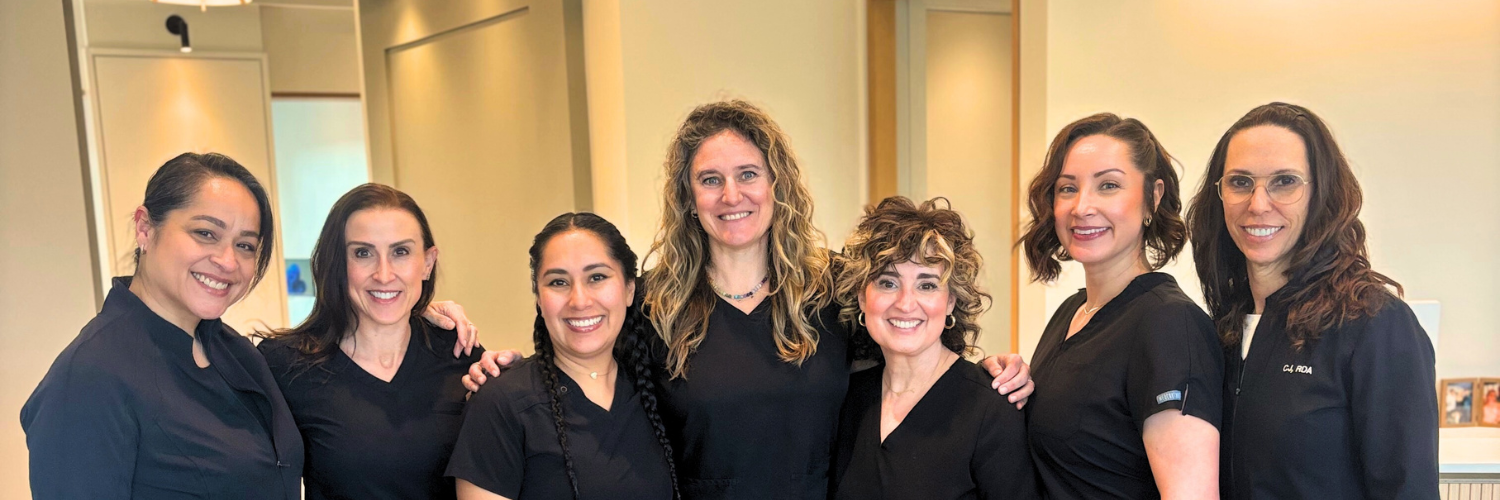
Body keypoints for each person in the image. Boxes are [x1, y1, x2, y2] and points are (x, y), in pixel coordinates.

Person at [464, 100, 1035, 499]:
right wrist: (503, 363)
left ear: (776, 185)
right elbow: (584, 352)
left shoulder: (829, 291)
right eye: (710, 180)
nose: (730, 195)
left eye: (748, 174)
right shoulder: (656, 308)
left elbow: (911, 341)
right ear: (688, 198)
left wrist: (994, 366)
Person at [1186, 102, 1438, 499]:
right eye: (1240, 182)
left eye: (1284, 181)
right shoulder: (1222, 330)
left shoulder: (1376, 325)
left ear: (1321, 192)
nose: (1257, 203)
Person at [22, 152, 304, 498]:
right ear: (144, 228)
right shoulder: (90, 377)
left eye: (245, 245)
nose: (228, 261)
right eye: (205, 233)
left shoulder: (237, 352)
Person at [1019, 113, 1223, 499]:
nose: (1082, 207)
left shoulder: (1168, 324)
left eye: (1108, 185)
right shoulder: (1072, 313)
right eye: (1067, 189)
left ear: (1153, 196)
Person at [257, 184, 484, 499]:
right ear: (339, 263)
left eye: (400, 252)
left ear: (428, 262)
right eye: (363, 253)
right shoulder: (283, 364)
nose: (384, 273)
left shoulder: (461, 355)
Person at [446, 212, 676, 499]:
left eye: (597, 277)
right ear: (539, 300)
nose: (579, 300)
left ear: (629, 289)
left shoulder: (657, 390)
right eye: (558, 282)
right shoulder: (501, 403)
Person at [829, 196, 1037, 499]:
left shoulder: (991, 408)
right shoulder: (848, 397)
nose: (905, 303)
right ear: (862, 297)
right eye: (888, 283)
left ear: (951, 300)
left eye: (927, 285)